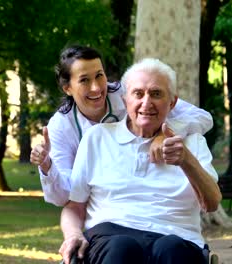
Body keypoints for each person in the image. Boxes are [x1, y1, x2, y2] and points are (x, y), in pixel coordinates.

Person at [59, 58, 222, 264]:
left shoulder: (193, 143)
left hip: (177, 236)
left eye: (156, 94)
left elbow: (212, 203)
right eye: (138, 93)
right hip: (110, 237)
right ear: (126, 100)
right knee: (123, 248)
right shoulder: (97, 137)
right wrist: (73, 234)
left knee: (171, 248)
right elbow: (74, 207)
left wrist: (186, 161)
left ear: (172, 102)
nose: (146, 103)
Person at [30, 45, 214, 207]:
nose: (96, 88)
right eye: (84, 80)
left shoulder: (129, 93)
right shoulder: (60, 126)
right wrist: (47, 165)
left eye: (99, 76)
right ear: (67, 88)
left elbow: (202, 118)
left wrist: (164, 133)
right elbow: (64, 195)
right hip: (96, 206)